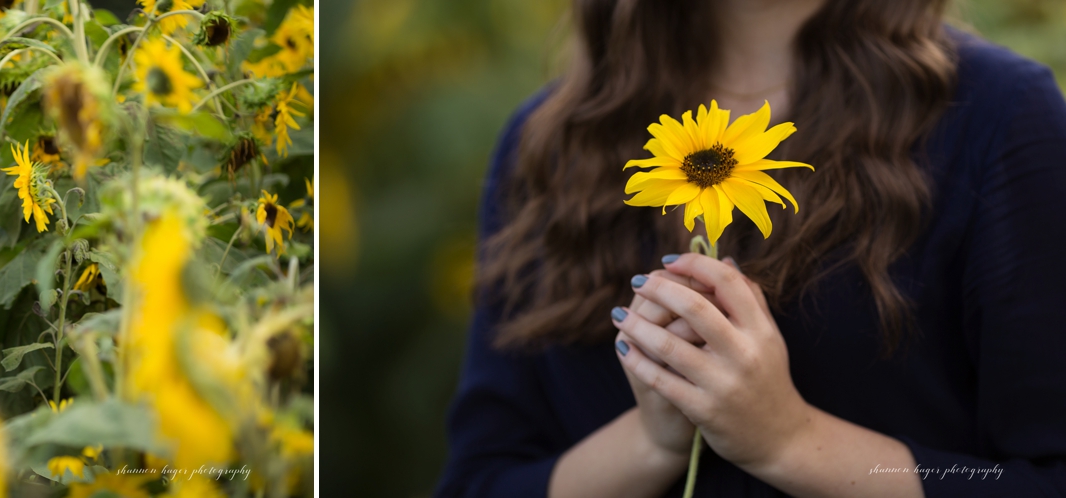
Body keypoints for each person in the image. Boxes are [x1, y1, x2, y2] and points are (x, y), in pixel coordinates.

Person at [435, 0, 1066, 496]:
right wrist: (653, 443)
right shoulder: (548, 146)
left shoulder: (1001, 119)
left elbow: (1041, 482)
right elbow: (479, 484)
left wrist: (791, 442)